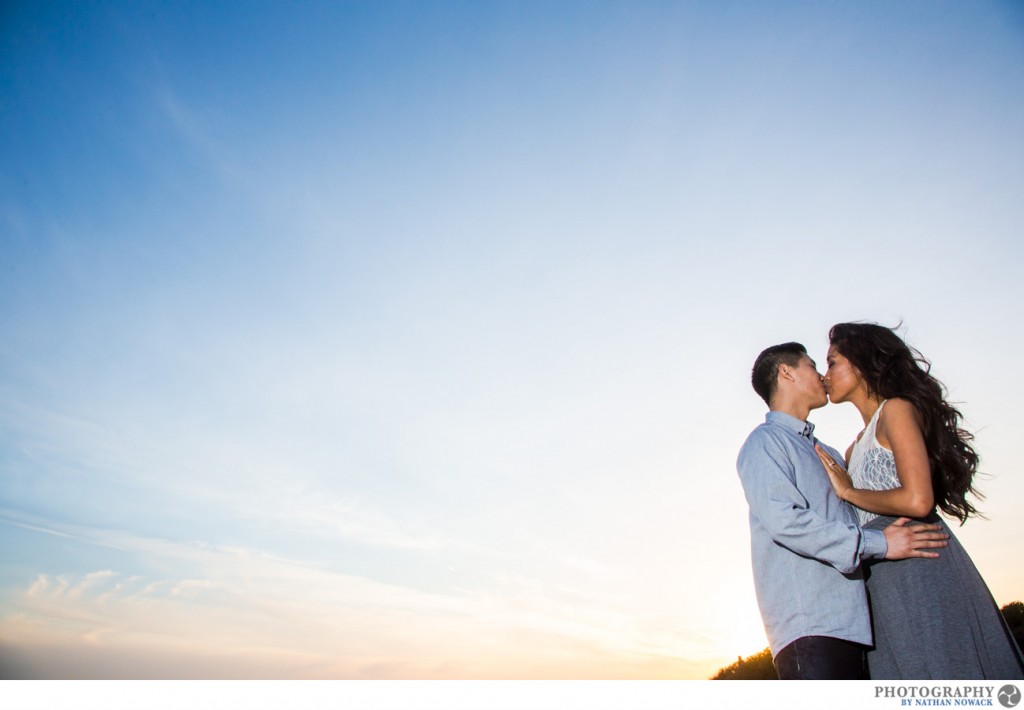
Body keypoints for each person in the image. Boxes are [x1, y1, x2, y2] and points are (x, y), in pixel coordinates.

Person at [815, 322, 1024, 679]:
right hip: (884, 576)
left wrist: (848, 491)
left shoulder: (895, 411)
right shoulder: (852, 447)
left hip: (923, 564)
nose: (825, 374)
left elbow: (917, 499)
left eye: (832, 362)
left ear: (862, 362)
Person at [737, 342, 949, 680]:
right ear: (786, 371)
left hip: (857, 625)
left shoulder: (828, 453)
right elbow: (786, 522)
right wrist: (882, 544)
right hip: (810, 627)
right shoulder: (765, 442)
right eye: (811, 365)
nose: (821, 375)